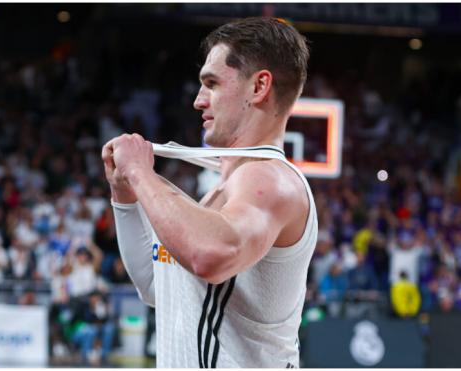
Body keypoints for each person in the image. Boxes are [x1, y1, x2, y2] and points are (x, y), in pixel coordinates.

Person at [102, 17, 316, 367]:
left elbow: (210, 256)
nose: (199, 101)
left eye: (212, 83)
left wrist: (141, 173)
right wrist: (124, 194)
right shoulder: (225, 191)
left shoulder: (270, 180)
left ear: (259, 87)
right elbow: (157, 289)